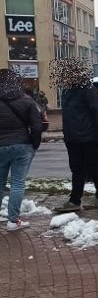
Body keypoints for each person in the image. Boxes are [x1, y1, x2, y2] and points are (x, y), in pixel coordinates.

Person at [51, 58, 98, 212]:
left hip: (89, 138)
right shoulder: (67, 91)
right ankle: (75, 200)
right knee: (76, 169)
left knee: (95, 168)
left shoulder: (88, 89)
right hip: (72, 139)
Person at [0, 69, 42, 230]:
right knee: (17, 183)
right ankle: (13, 220)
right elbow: (36, 126)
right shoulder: (27, 101)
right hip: (22, 146)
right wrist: (34, 144)